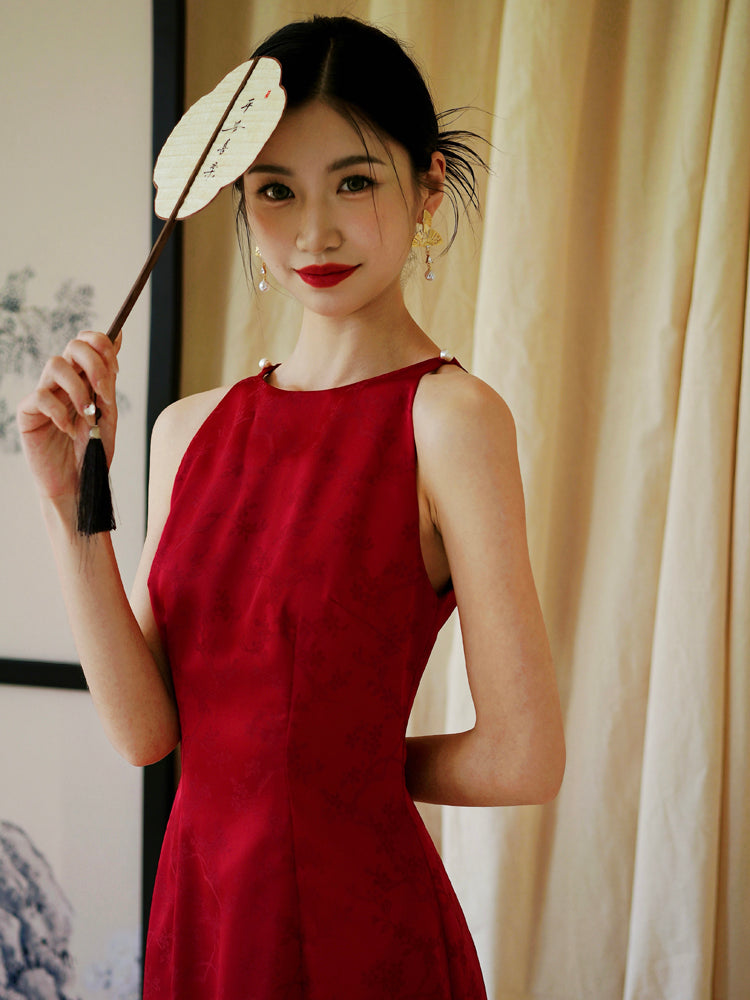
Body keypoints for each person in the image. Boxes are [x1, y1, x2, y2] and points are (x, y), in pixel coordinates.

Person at [17, 15, 565, 1000]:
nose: (313, 230)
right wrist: (68, 510)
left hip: (359, 925)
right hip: (203, 912)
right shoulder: (188, 430)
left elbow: (523, 754)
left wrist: (325, 768)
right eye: (275, 191)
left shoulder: (450, 420)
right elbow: (145, 731)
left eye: (354, 181)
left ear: (428, 183)